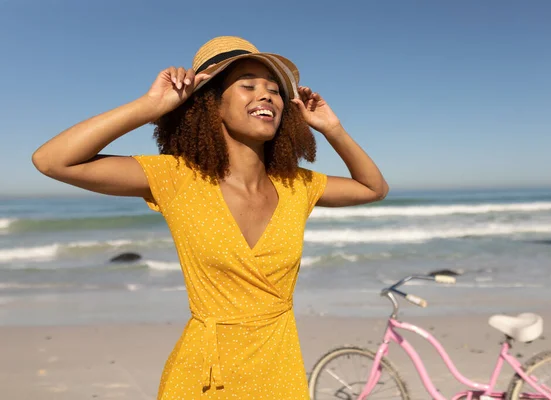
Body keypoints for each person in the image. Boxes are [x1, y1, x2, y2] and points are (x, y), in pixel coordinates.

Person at [32, 36, 388, 399]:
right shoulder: (176, 177)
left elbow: (373, 188)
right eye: (248, 85)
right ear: (212, 104)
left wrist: (332, 129)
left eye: (274, 90)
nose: (266, 95)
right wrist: (151, 106)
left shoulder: (297, 186)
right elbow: (52, 160)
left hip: (281, 375)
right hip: (204, 379)